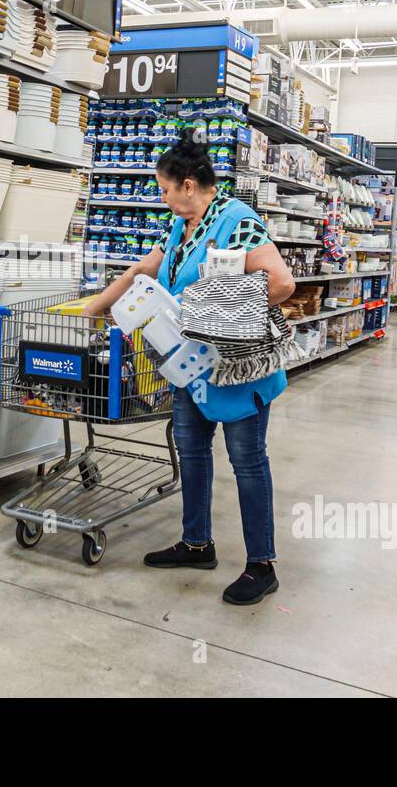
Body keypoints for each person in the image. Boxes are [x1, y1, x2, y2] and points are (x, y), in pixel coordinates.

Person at [85, 136, 296, 605]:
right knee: (194, 454)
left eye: (163, 189)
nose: (161, 198)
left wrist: (217, 313)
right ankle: (197, 543)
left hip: (238, 370)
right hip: (190, 369)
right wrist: (94, 309)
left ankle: (262, 565)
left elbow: (281, 284)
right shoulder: (179, 227)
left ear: (186, 185)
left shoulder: (237, 221)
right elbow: (144, 270)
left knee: (247, 462)